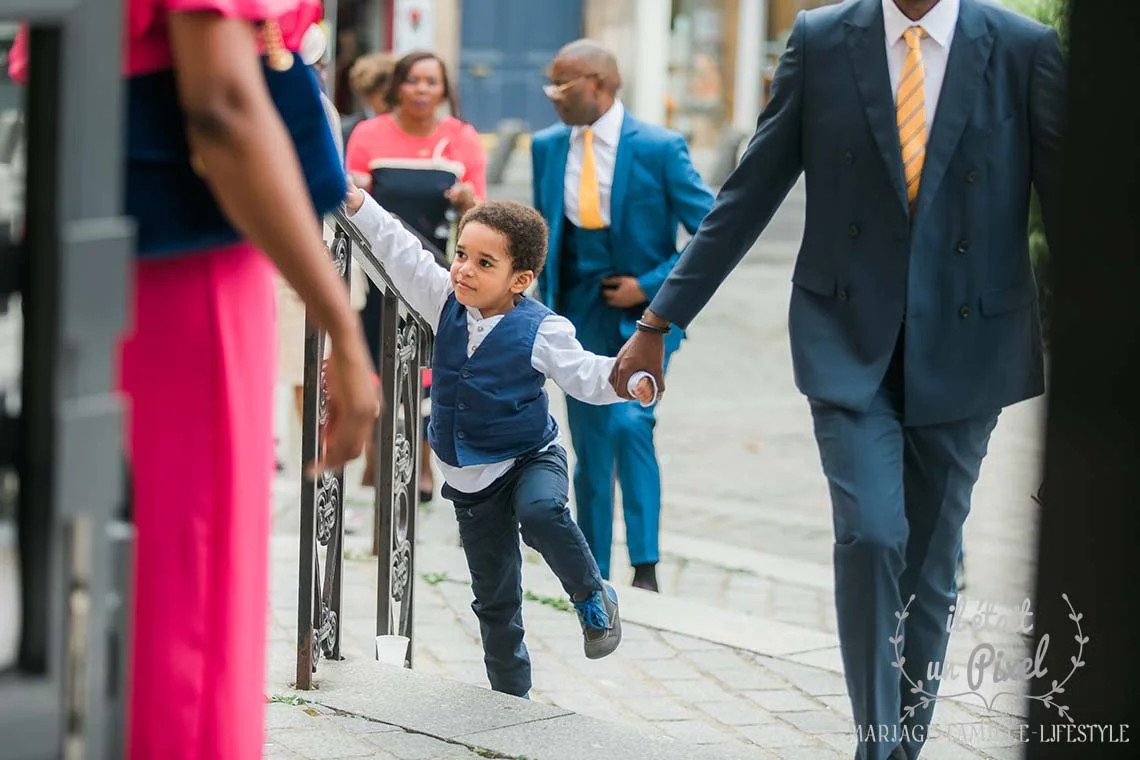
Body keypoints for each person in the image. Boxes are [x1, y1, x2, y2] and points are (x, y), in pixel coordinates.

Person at [610, 0, 1064, 757]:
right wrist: (659, 322)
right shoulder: (822, 39)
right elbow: (749, 191)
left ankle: (898, 745)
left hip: (968, 340)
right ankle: (876, 742)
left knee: (931, 558)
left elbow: (1074, 204)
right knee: (870, 534)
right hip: (847, 338)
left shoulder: (1021, 46)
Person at [9, 4, 379, 758]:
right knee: (189, 596)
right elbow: (222, 107)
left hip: (125, 246)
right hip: (192, 264)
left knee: (152, 578)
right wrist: (342, 328)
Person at [344, 179, 657, 699]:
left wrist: (631, 379)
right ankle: (513, 702)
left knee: (541, 512)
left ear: (522, 279)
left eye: (485, 264)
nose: (464, 269)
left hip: (530, 458)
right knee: (494, 600)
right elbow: (396, 245)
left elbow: (585, 375)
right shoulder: (442, 297)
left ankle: (591, 594)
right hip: (470, 482)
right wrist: (355, 201)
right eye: (462, 254)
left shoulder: (543, 329)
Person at [530, 40, 713, 592]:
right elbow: (541, 232)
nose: (552, 97)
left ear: (599, 84)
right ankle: (590, 572)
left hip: (644, 317)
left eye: (562, 86)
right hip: (575, 312)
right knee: (588, 441)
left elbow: (711, 230)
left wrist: (650, 286)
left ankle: (645, 566)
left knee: (632, 424)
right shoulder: (545, 147)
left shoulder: (659, 147)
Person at [345, 50, 488, 503]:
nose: (423, 89)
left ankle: (422, 465)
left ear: (444, 89)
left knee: (429, 370)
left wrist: (466, 199)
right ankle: (377, 460)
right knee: (377, 365)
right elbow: (350, 195)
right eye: (414, 80)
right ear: (398, 86)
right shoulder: (369, 134)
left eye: (432, 81)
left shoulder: (461, 139)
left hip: (437, 269)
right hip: (375, 268)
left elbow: (481, 215)